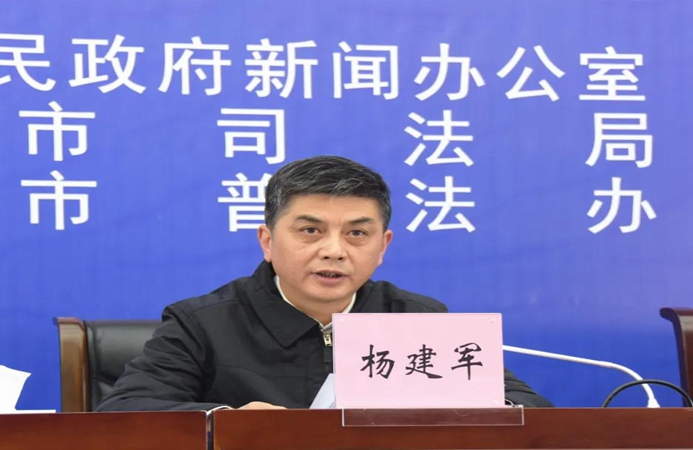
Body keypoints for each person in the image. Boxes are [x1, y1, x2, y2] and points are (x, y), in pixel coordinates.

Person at [97, 155, 552, 411]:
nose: (334, 250)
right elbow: (126, 410)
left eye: (357, 234)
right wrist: (228, 419)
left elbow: (526, 408)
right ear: (267, 241)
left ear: (383, 246)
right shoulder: (204, 322)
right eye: (311, 230)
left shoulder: (417, 318)